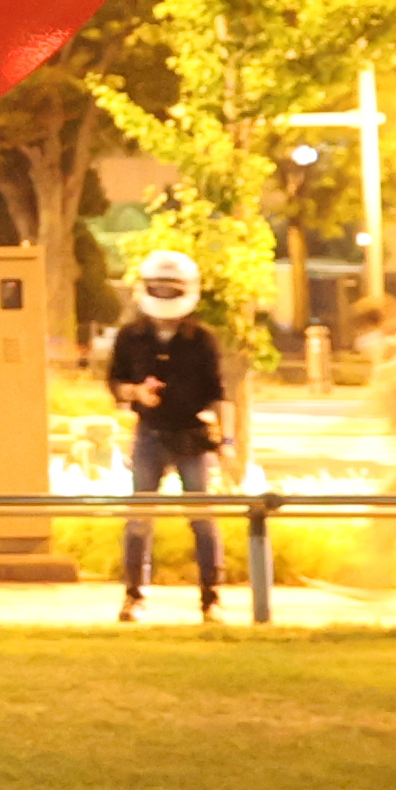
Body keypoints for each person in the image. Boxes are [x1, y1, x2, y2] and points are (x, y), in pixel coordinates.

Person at [110, 247, 230, 622]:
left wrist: (223, 439)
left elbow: (217, 391)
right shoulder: (131, 336)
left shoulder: (201, 339)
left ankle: (211, 597)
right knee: (139, 518)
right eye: (158, 288)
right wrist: (135, 393)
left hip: (191, 436)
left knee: (201, 517)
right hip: (150, 433)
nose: (163, 297)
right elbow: (114, 381)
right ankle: (134, 595)